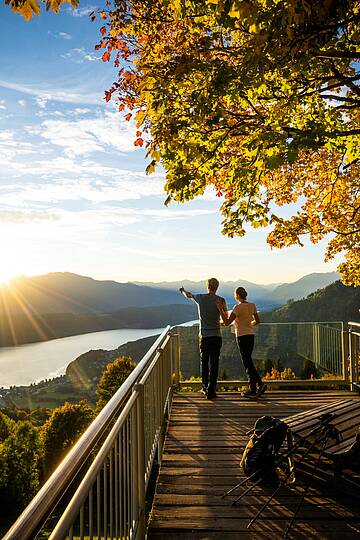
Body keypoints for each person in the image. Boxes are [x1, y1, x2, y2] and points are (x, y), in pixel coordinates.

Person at [179, 278, 227, 399]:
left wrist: (183, 291)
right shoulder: (221, 300)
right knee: (214, 363)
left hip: (205, 336)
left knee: (204, 362)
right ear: (217, 287)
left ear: (207, 286)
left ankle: (205, 387)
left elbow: (188, 295)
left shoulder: (200, 298)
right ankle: (212, 390)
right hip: (216, 336)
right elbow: (225, 317)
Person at [217, 286, 266, 398]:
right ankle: (253, 389)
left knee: (247, 362)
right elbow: (257, 321)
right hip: (250, 336)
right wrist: (250, 324)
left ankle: (259, 384)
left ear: (237, 296)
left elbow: (228, 322)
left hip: (242, 337)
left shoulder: (237, 308)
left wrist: (220, 310)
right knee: (248, 361)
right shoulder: (252, 305)